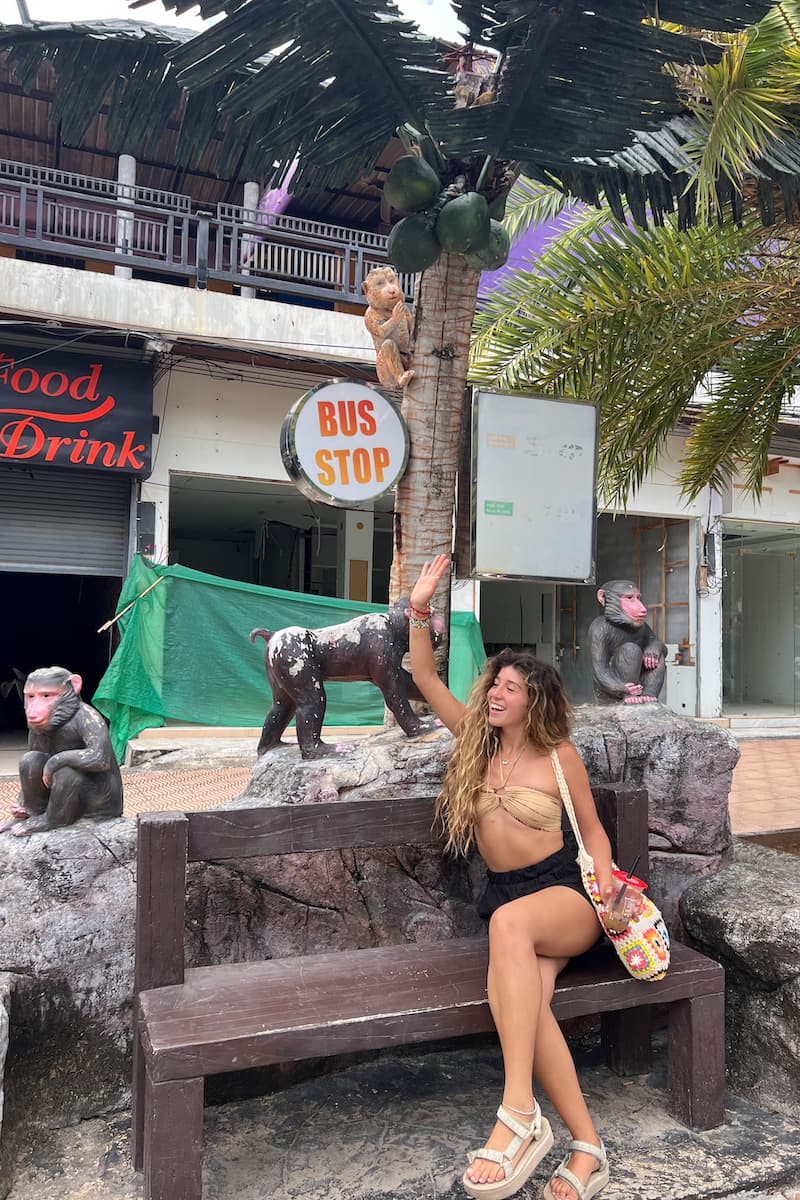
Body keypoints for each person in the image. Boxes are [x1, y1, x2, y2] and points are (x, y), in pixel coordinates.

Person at [408, 555, 633, 1200]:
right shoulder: (474, 742)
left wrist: (608, 879)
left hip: (564, 897)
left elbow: (590, 831)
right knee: (524, 1007)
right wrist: (420, 606)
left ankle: (517, 1113)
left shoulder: (560, 755)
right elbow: (422, 674)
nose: (497, 693)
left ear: (535, 699)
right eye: (494, 683)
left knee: (509, 927)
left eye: (512, 686)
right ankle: (588, 1148)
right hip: (509, 901)